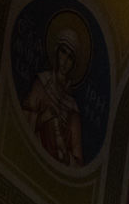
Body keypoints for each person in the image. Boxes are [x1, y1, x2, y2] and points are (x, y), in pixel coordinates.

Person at [20, 27, 85, 165]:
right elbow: (22, 119)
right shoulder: (42, 83)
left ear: (73, 64)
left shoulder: (72, 108)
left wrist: (65, 157)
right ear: (56, 52)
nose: (65, 61)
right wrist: (43, 118)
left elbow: (77, 159)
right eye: (63, 52)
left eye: (70, 58)